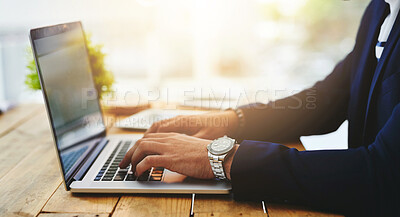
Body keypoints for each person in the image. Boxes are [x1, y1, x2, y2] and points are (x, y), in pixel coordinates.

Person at [119, 0, 400, 216]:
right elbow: (326, 99)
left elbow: (384, 174)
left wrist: (224, 159)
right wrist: (231, 120)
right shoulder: (380, 7)